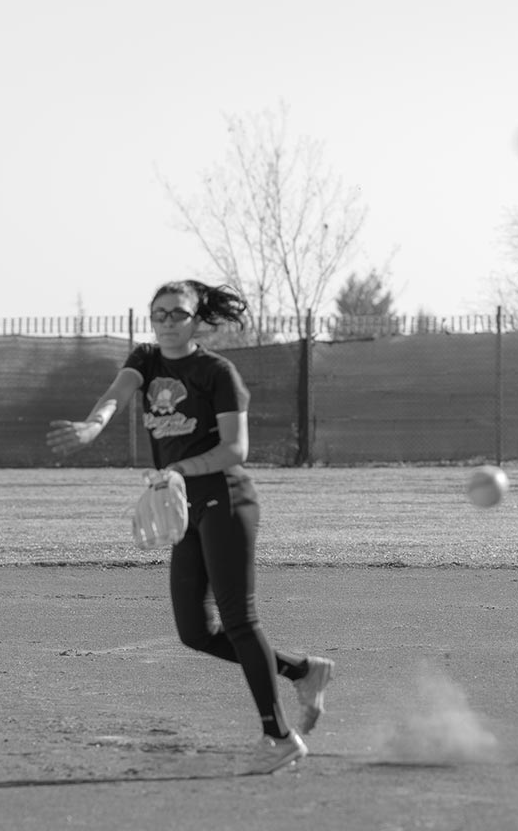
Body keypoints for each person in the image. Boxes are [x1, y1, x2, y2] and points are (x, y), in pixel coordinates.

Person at [47, 279, 334, 775]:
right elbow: (116, 395)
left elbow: (236, 450)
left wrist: (178, 469)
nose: (166, 322)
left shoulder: (217, 372)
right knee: (195, 632)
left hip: (227, 500)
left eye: (177, 313)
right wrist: (93, 426)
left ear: (197, 320)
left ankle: (278, 736)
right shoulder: (146, 360)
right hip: (185, 506)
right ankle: (302, 670)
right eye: (158, 313)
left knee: (239, 620)